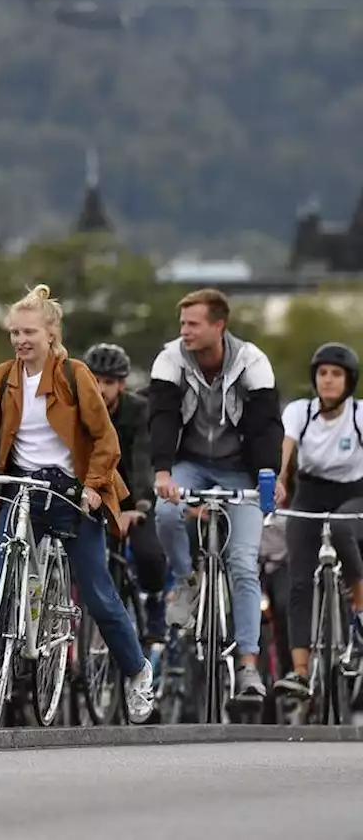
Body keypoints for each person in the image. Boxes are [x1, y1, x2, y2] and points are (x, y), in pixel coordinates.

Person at [0, 284, 155, 723]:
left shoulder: (74, 375)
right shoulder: (4, 377)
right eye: (13, 333)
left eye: (28, 332)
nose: (20, 340)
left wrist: (93, 484)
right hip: (23, 489)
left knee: (100, 596)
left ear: (51, 334)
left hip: (72, 493)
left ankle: (138, 671)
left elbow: (106, 439)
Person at [148, 288, 282, 703]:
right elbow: (163, 417)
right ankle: (187, 580)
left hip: (240, 468)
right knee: (167, 513)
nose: (184, 331)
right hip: (191, 462)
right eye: (182, 324)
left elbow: (265, 426)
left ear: (218, 326)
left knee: (243, 563)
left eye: (193, 324)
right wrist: (163, 472)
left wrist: (267, 475)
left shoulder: (252, 362)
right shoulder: (170, 359)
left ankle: (248, 667)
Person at [272, 343, 363, 698]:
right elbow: (286, 447)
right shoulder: (299, 411)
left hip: (354, 494)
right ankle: (299, 672)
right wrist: (279, 480)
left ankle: (358, 603)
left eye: (336, 374)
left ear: (349, 381)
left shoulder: (357, 415)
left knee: (342, 527)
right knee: (298, 580)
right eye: (322, 373)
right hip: (309, 493)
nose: (328, 381)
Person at [83, 342, 168, 642]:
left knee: (149, 554)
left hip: (133, 497)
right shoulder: (76, 409)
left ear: (121, 385)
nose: (101, 389)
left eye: (108, 382)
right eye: (94, 380)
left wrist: (140, 506)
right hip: (90, 496)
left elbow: (144, 459)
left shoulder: (139, 411)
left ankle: (155, 602)